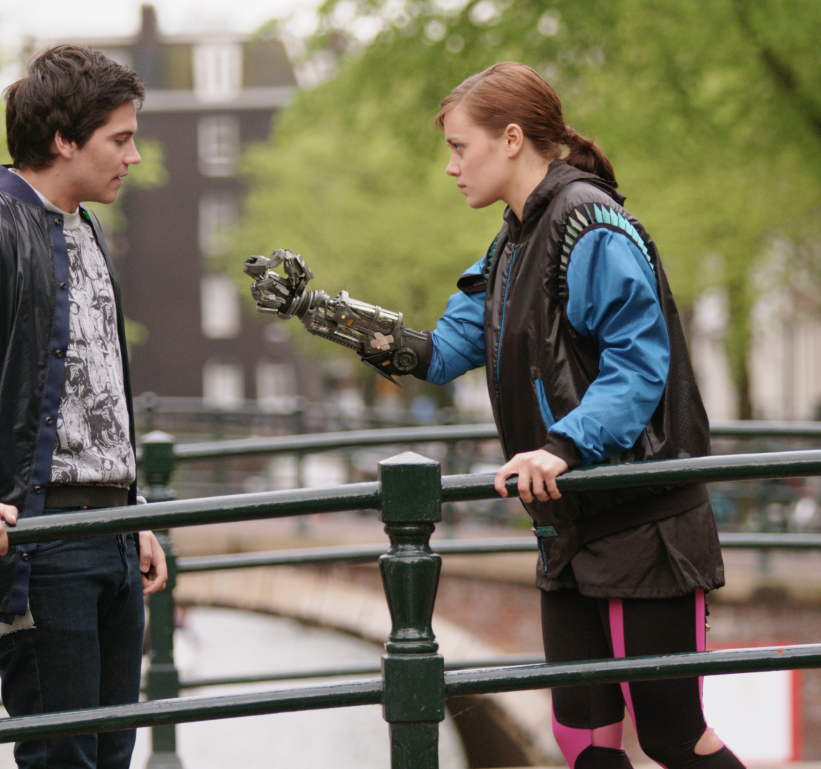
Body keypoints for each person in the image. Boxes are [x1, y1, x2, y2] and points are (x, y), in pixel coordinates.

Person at [250, 62, 741, 769]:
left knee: (672, 738)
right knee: (585, 744)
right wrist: (320, 311)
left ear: (511, 139)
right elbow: (441, 352)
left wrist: (562, 446)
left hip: (644, 521)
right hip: (568, 524)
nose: (451, 167)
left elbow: (639, 366)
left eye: (459, 147)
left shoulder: (591, 228)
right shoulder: (511, 240)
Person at [0, 44, 167, 769]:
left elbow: (92, 385)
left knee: (113, 754)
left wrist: (132, 510)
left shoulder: (86, 223)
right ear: (63, 140)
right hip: (42, 543)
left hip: (112, 535)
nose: (134, 157)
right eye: (120, 139)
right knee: (64, 760)